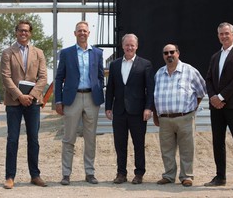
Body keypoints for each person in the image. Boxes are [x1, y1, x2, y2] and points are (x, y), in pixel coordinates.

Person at [55, 21, 104, 185]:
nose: (82, 33)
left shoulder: (97, 53)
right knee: (69, 138)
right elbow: (59, 77)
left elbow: (99, 76)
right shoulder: (66, 53)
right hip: (72, 99)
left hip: (91, 99)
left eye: (85, 31)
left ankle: (90, 173)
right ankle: (66, 174)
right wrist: (58, 100)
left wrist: (98, 92)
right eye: (79, 31)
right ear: (74, 33)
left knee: (90, 138)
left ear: (89, 33)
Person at [1, 20, 47, 189]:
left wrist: (31, 96)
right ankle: (10, 176)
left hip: (33, 102)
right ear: (16, 32)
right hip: (14, 102)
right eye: (21, 30)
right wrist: (20, 96)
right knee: (12, 139)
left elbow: (43, 78)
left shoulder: (39, 53)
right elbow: (5, 77)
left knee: (33, 139)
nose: (23, 33)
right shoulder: (7, 53)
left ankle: (35, 175)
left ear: (30, 33)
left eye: (26, 31)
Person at [153, 44, 206, 187]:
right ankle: (169, 175)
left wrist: (193, 108)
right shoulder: (159, 73)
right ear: (163, 55)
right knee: (166, 149)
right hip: (165, 119)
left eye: (172, 52)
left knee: (187, 148)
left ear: (178, 53)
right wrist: (156, 115)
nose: (169, 55)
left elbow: (201, 91)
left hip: (185, 117)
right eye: (166, 53)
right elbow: (154, 96)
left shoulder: (189, 71)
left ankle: (186, 176)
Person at [105, 33, 155, 184]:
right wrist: (108, 107)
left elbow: (150, 89)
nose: (129, 47)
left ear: (137, 46)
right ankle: (121, 173)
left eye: (132, 45)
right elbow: (110, 88)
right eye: (127, 45)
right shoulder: (114, 65)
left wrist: (148, 108)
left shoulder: (145, 64)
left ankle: (139, 173)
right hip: (119, 111)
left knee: (138, 144)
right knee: (120, 144)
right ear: (122, 46)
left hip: (138, 112)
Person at [204, 22, 233, 192]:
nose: (224, 36)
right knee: (217, 142)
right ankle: (220, 176)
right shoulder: (215, 57)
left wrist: (220, 97)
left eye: (226, 33)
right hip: (216, 108)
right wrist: (213, 97)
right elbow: (209, 79)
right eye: (221, 34)